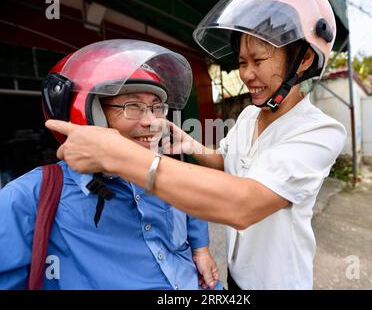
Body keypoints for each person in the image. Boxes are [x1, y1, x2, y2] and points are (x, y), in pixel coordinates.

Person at [45, 0, 347, 289]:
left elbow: (244, 204)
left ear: (304, 58)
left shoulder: (320, 131)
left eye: (257, 60)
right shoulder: (248, 117)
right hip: (237, 274)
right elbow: (225, 162)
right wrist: (190, 145)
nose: (247, 74)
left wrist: (118, 155)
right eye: (242, 62)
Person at [0, 39, 220, 290]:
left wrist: (200, 250)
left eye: (156, 107)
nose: (152, 122)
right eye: (133, 106)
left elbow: (190, 203)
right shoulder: (29, 197)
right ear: (86, 113)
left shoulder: (163, 171)